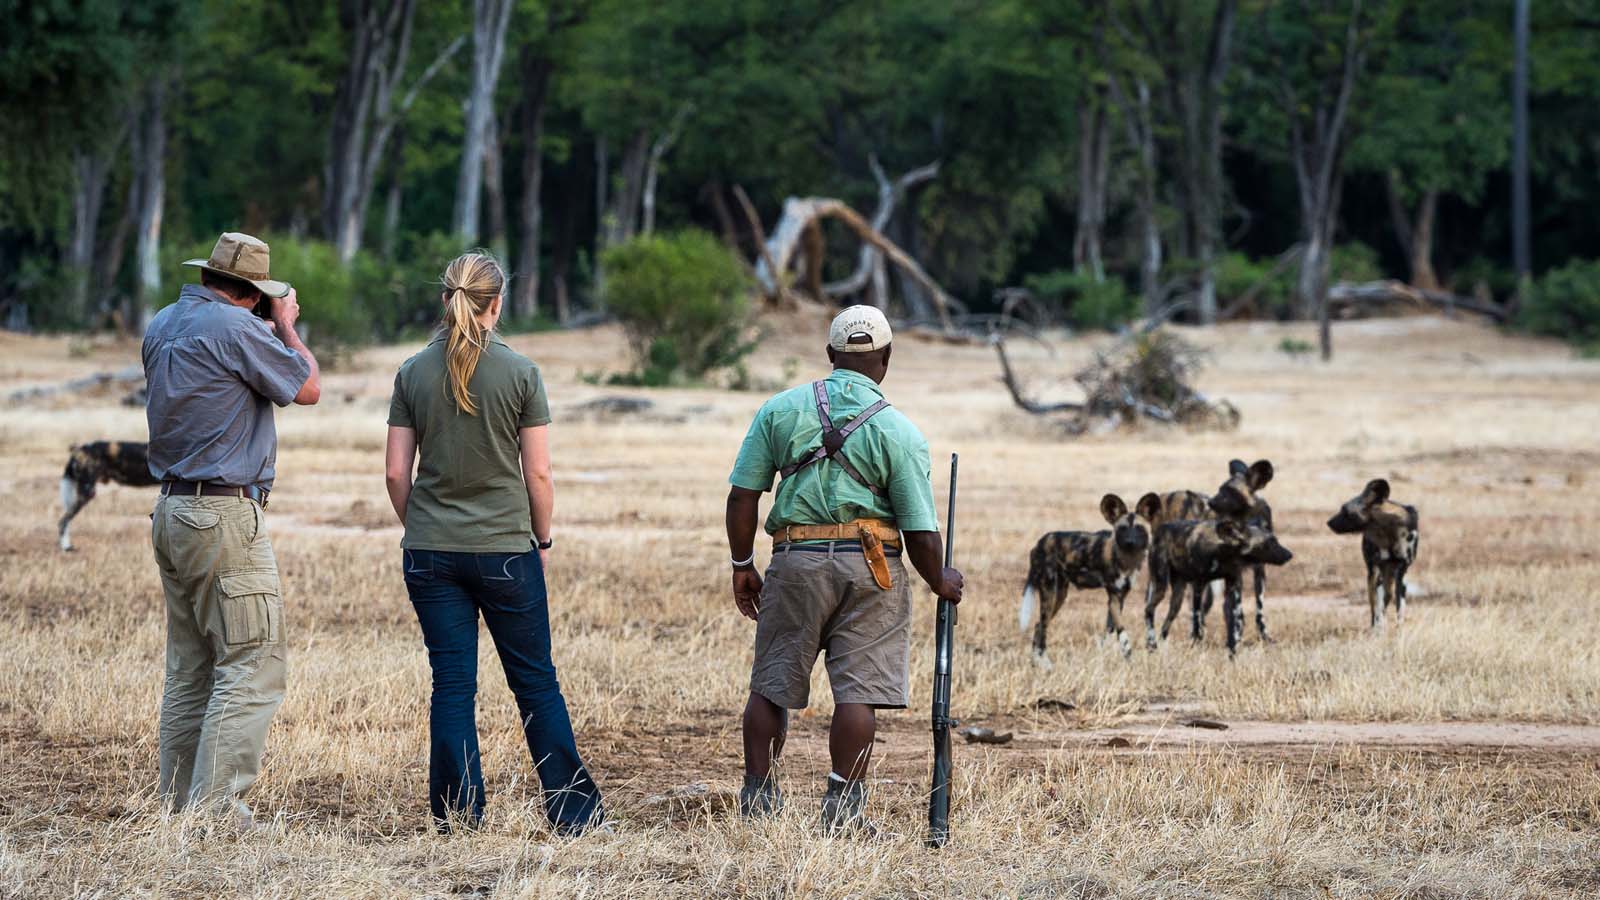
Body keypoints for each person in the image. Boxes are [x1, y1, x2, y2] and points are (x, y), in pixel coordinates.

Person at [384, 251, 604, 835]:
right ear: (497, 304)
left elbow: (394, 475)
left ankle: (458, 818)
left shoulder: (410, 372)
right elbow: (539, 475)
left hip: (430, 551)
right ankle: (574, 815)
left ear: (444, 300)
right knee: (535, 680)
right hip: (507, 548)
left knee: (452, 683)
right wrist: (544, 541)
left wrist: (425, 526)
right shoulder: (521, 373)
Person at [725, 305, 964, 834]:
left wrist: (743, 563)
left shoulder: (780, 410)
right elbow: (922, 533)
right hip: (873, 569)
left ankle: (758, 800)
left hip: (795, 561)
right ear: (886, 359)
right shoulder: (900, 431)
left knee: (771, 683)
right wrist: (940, 580)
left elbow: (743, 496)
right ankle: (842, 809)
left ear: (831, 355)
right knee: (858, 692)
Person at [143, 231, 321, 824]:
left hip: (171, 510)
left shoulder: (165, 322)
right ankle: (216, 808)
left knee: (191, 665)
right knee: (252, 658)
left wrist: (260, 327)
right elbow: (306, 386)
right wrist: (288, 325)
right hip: (222, 514)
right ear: (252, 293)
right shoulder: (239, 328)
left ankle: (177, 804)